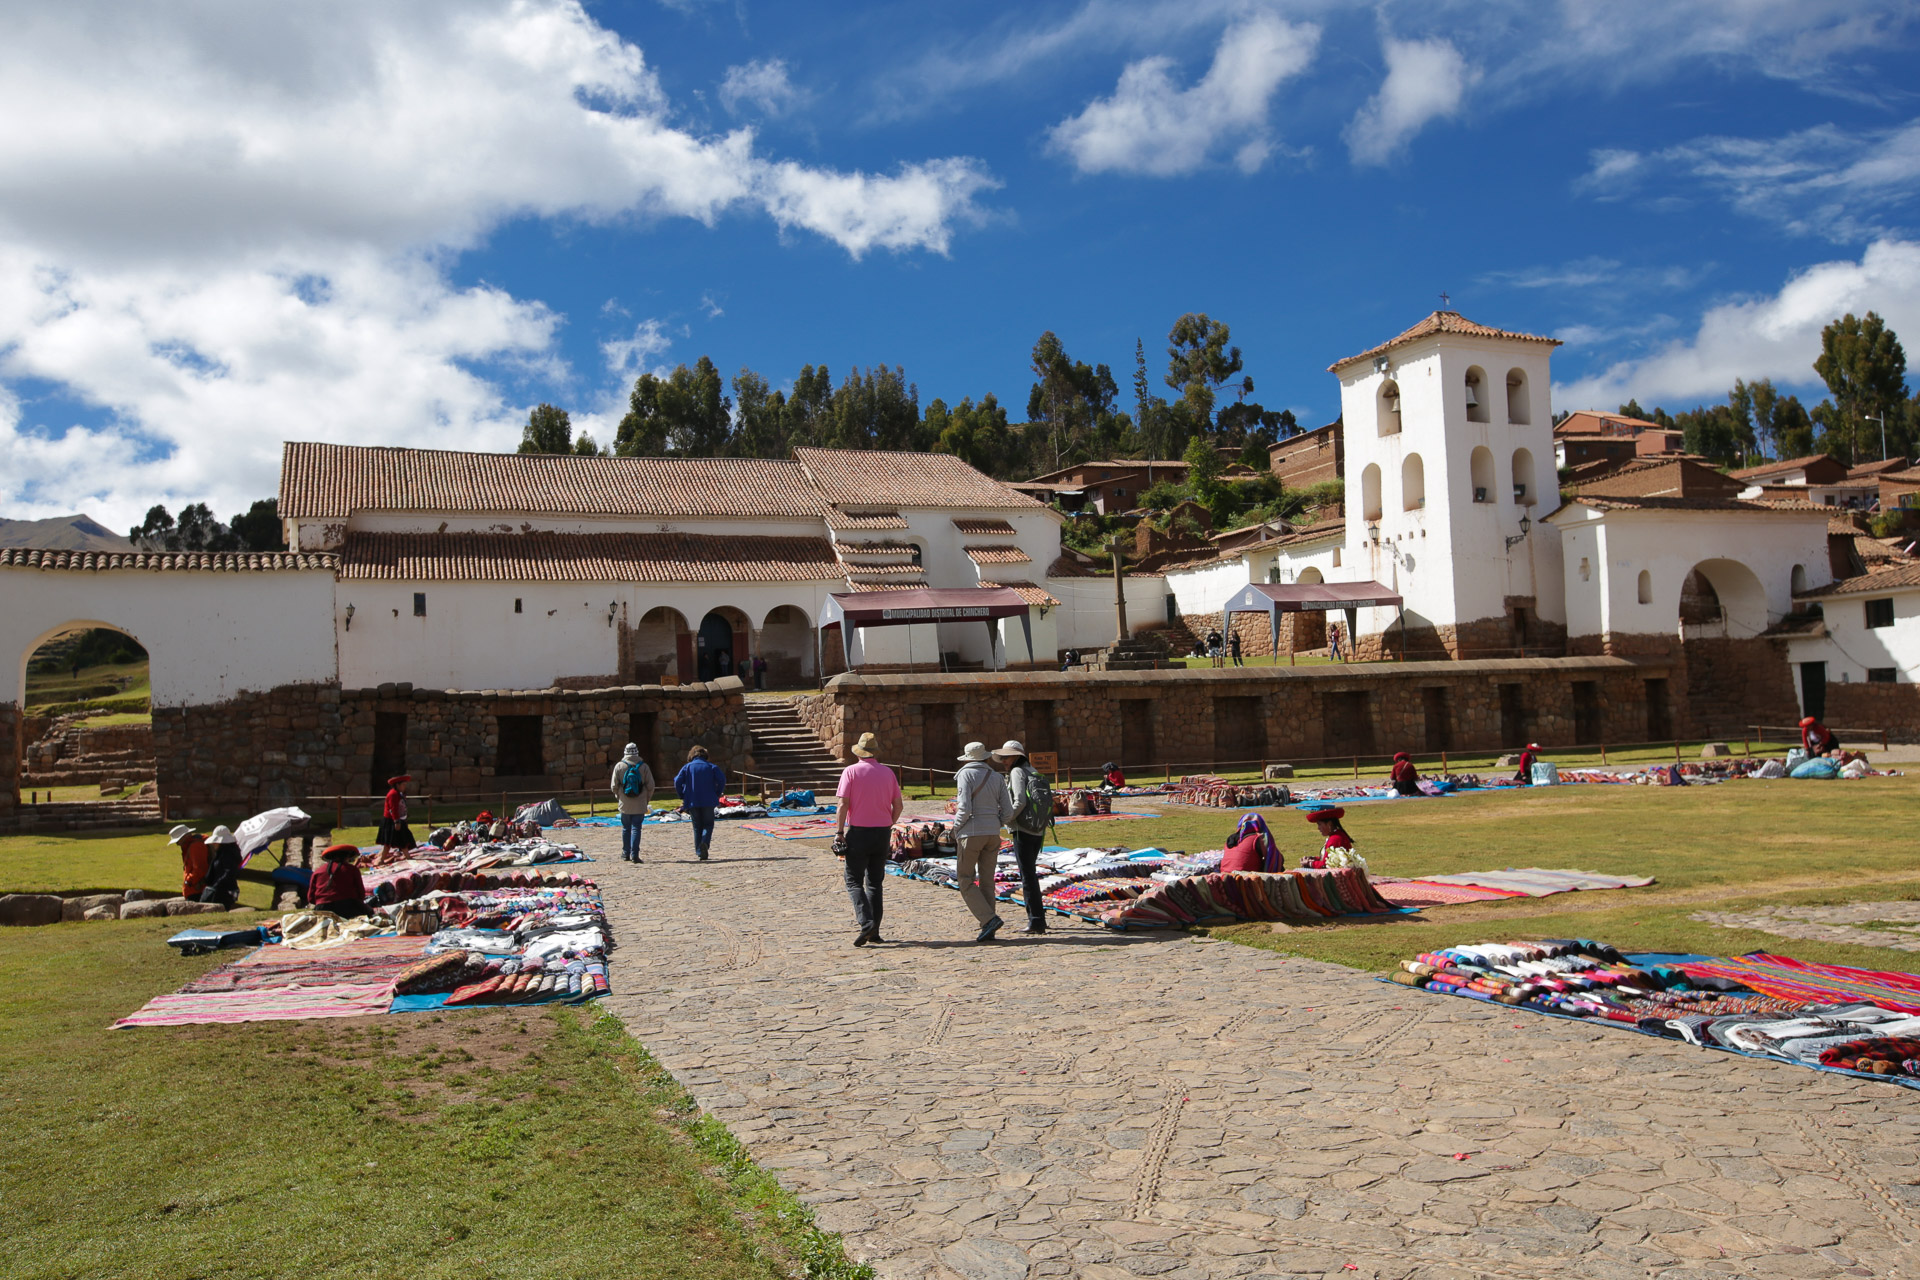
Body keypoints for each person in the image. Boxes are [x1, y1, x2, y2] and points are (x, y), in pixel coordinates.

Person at [834, 732, 903, 945]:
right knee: (875, 882)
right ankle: (875, 931)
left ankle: (866, 922)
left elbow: (843, 804)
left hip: (859, 831)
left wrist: (839, 832)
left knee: (853, 880)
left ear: (858, 753)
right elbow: (898, 805)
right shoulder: (888, 773)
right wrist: (888, 823)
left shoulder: (851, 771)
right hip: (882, 832)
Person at [952, 741, 1014, 942]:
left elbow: (964, 807)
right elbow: (1008, 811)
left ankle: (988, 919)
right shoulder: (996, 777)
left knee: (965, 878)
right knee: (987, 881)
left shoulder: (965, 774)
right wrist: (995, 823)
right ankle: (989, 927)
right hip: (992, 832)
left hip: (971, 832)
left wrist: (956, 828)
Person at [994, 740, 1050, 935]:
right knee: (1031, 874)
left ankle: (1036, 921)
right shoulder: (1032, 769)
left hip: (1023, 830)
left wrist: (1005, 820)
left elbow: (1019, 801)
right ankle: (1039, 917)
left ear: (1016, 756)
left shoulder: (1018, 772)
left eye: (1006, 757)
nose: (1004, 761)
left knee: (1028, 877)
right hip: (1037, 829)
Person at [674, 745, 727, 860]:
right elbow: (722, 779)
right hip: (708, 800)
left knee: (697, 826)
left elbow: (677, 781)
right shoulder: (711, 767)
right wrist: (717, 793)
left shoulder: (687, 767)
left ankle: (699, 850)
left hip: (692, 800)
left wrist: (682, 794)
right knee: (708, 825)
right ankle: (705, 843)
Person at [610, 742, 655, 863]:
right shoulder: (644, 767)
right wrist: (646, 799)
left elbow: (614, 786)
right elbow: (651, 785)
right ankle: (635, 854)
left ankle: (625, 853)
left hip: (625, 803)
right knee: (636, 828)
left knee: (626, 828)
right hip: (640, 803)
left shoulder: (620, 766)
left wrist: (619, 796)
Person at [307, 843, 368, 917]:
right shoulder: (352, 869)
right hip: (349, 907)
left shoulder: (318, 872)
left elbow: (311, 898)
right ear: (347, 856)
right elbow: (361, 894)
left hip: (323, 909)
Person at [199, 824, 242, 907]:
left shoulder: (228, 855)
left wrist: (217, 885)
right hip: (221, 889)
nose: (214, 844)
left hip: (224, 891)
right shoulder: (222, 853)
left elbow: (229, 873)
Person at [169, 824, 210, 900]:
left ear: (184, 837)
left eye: (178, 840)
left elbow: (200, 868)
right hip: (195, 888)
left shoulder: (195, 846)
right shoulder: (190, 845)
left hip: (197, 890)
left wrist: (188, 882)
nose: (177, 844)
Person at [378, 775, 416, 853]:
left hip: (399, 819)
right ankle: (382, 859)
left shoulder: (400, 793)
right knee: (388, 842)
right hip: (391, 821)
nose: (405, 787)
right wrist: (396, 822)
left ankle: (407, 856)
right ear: (397, 785)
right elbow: (393, 809)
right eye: (403, 785)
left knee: (403, 839)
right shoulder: (393, 794)